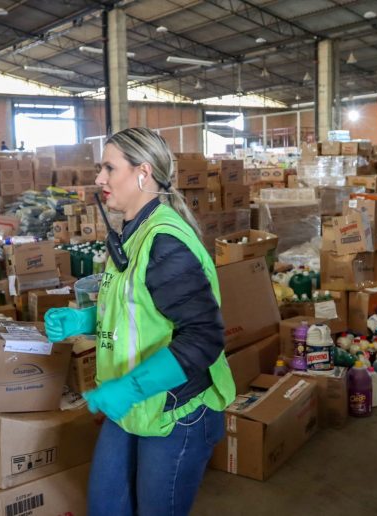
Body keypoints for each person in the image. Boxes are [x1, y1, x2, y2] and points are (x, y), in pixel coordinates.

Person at [44, 127, 235, 516]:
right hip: (134, 402)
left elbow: (203, 337)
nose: (99, 179)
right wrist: (83, 320)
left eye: (109, 168)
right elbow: (138, 306)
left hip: (175, 410)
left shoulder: (166, 240)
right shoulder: (134, 232)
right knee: (106, 505)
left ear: (142, 173)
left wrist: (129, 389)